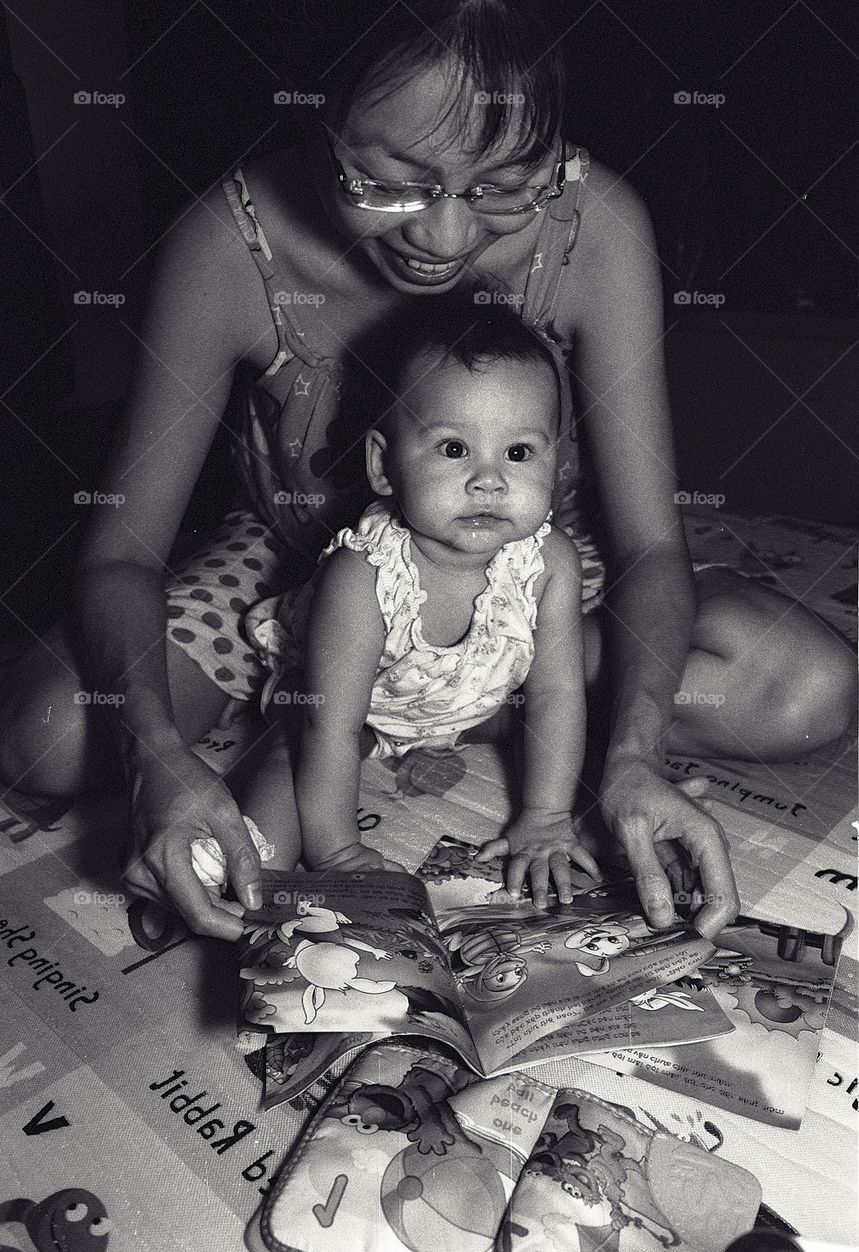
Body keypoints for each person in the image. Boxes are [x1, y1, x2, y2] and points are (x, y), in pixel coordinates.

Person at [0, 0, 852, 943]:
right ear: (315, 122)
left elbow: (651, 542)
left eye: (503, 187)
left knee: (804, 690)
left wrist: (632, 753)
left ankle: (456, 703)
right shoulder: (228, 242)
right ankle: (338, 701)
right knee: (50, 735)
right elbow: (121, 552)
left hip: (517, 578)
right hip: (297, 560)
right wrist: (156, 751)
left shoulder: (594, 224)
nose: (444, 240)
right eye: (389, 181)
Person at [234, 294, 599, 909]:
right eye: (454, 449)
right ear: (385, 466)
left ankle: (459, 739)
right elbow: (333, 722)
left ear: (557, 465)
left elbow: (557, 692)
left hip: (471, 696)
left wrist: (544, 814)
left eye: (519, 453)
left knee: (581, 692)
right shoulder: (364, 576)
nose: (490, 479)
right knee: (275, 813)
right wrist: (338, 852)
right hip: (354, 708)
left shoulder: (548, 561)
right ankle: (236, 854)